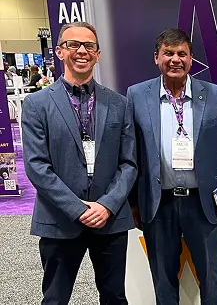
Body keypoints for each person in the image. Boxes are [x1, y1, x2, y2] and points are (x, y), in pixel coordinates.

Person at [127, 28, 217, 305]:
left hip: (203, 203)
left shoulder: (215, 95)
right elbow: (131, 153)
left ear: (191, 59)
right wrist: (132, 202)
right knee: (163, 279)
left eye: (182, 53)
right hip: (158, 205)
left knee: (211, 279)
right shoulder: (137, 95)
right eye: (168, 53)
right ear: (156, 58)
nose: (175, 59)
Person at [21, 21, 137, 304]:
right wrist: (78, 209)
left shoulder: (119, 104)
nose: (82, 51)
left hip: (108, 220)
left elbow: (129, 163)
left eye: (89, 46)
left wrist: (106, 205)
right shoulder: (37, 104)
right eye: (73, 44)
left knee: (114, 296)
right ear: (60, 52)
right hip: (59, 218)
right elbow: (37, 166)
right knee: (55, 298)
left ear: (98, 54)